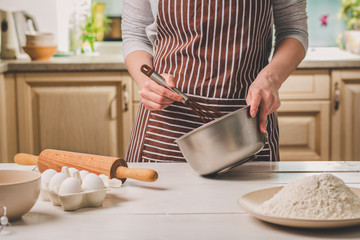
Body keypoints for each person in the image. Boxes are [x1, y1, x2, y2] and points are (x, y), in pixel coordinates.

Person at [122, 0, 308, 162]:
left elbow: (293, 30)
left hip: (246, 124)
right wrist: (147, 82)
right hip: (165, 127)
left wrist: (270, 78)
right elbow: (134, 35)